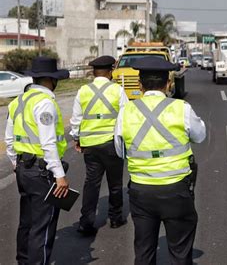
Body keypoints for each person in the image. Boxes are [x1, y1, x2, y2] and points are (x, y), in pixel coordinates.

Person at [114, 56, 206, 265]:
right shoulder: (182, 108)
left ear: (139, 85)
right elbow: (200, 136)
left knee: (144, 253)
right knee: (180, 253)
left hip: (141, 191)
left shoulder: (125, 112)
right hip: (176, 191)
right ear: (169, 83)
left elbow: (120, 151)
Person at [5, 56, 70, 264]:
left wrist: (16, 163)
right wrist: (60, 176)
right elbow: (48, 143)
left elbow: (9, 138)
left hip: (24, 169)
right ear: (52, 80)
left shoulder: (18, 101)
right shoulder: (45, 104)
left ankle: (23, 260)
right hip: (42, 173)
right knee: (42, 227)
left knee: (27, 221)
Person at [70, 55, 128, 236]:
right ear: (111, 71)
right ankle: (115, 218)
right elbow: (125, 118)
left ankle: (86, 223)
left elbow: (76, 120)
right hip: (111, 145)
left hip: (90, 146)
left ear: (94, 72)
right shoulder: (118, 91)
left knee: (91, 184)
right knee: (115, 183)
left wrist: (77, 138)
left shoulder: (83, 91)